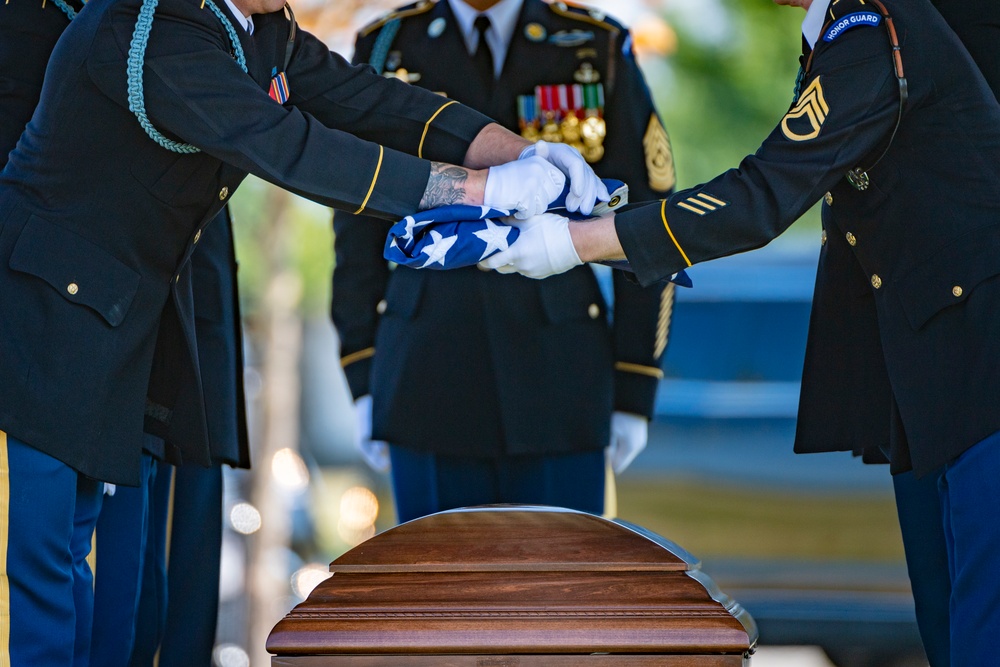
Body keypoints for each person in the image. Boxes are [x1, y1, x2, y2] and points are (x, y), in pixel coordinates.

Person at [0, 0, 606, 661]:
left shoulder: (257, 26)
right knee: (46, 571)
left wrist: (523, 150)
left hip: (116, 316)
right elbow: (293, 148)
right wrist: (480, 191)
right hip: (40, 311)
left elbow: (368, 99)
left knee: (102, 583)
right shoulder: (154, 27)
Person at [481, 0, 1000, 663]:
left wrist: (571, 243)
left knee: (981, 635)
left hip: (978, 366)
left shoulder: (872, 30)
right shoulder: (848, 30)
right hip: (943, 376)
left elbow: (759, 197)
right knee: (953, 630)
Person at [331, 0, 676, 522]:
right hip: (427, 379)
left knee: (562, 597)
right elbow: (356, 224)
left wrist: (635, 382)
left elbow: (645, 219)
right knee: (436, 597)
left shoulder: (593, 44)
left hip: (561, 381)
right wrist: (361, 372)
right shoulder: (386, 45)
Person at [2, 1, 248, 664]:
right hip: (37, 350)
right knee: (47, 595)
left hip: (153, 348)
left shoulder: (187, 26)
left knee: (132, 609)